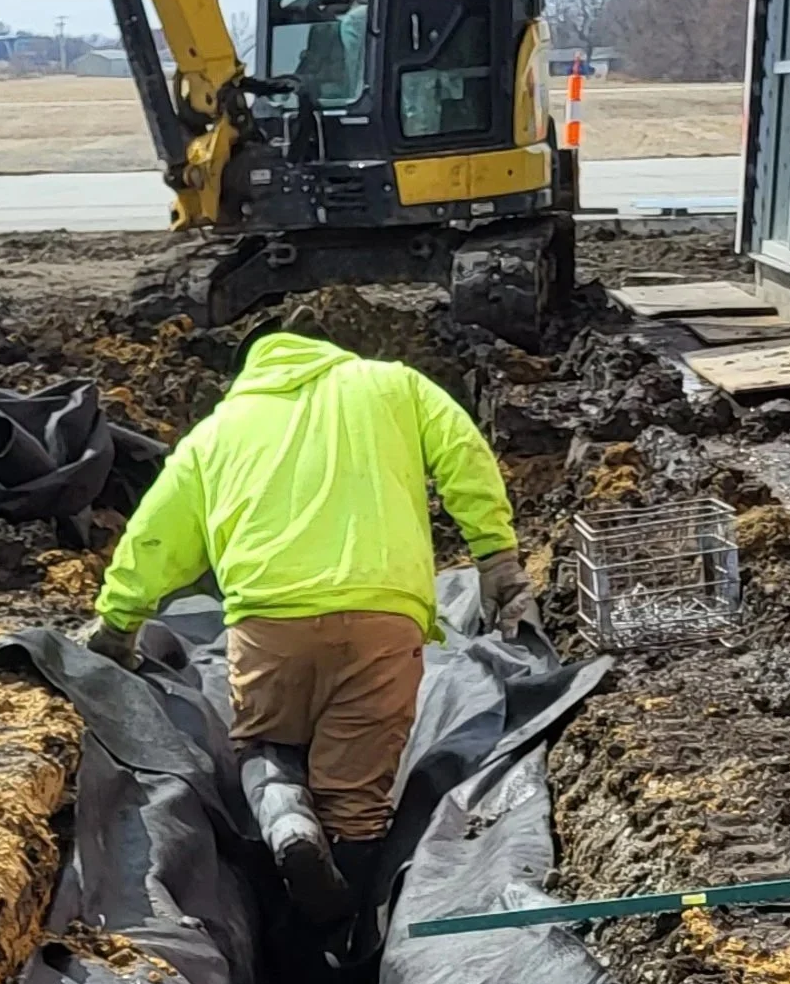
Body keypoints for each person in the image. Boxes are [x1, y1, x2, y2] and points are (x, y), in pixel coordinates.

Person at [83, 328, 542, 921]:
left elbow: (156, 534)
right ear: (329, 352)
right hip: (383, 617)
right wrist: (495, 557)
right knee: (355, 801)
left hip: (268, 622)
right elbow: (464, 454)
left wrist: (119, 623)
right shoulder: (394, 385)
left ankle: (285, 818)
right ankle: (342, 938)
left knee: (266, 744)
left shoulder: (217, 431)